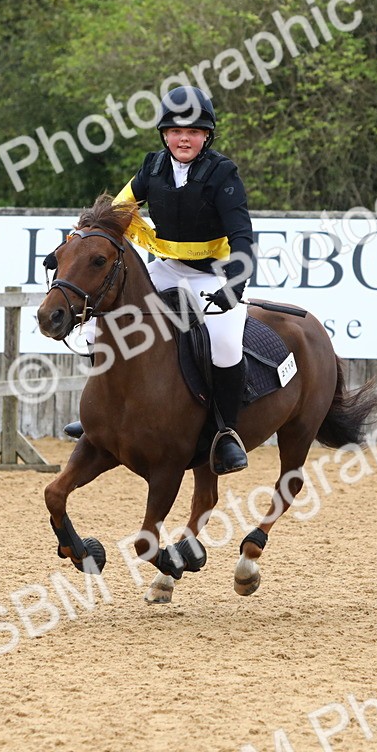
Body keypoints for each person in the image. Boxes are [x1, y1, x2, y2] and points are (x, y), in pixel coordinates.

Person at [63, 86, 256, 474]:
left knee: (224, 345)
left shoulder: (223, 173)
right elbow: (114, 213)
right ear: (165, 135)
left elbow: (242, 236)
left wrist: (235, 284)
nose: (184, 139)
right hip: (167, 268)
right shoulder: (152, 168)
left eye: (194, 132)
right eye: (176, 131)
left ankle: (225, 433)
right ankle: (100, 414)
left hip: (213, 273)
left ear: (206, 136)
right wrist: (77, 241)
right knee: (100, 326)